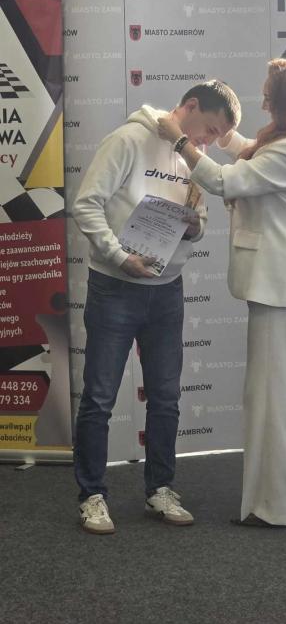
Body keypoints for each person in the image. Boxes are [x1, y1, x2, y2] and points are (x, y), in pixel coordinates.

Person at [158, 58, 286, 527]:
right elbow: (251, 153)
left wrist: (179, 141)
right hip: (285, 283)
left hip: (277, 285)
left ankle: (273, 506)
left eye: (269, 94)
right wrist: (223, 136)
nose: (264, 101)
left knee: (271, 396)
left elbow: (225, 180)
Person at [72, 81, 241, 533]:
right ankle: (92, 495)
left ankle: (160, 488)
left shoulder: (191, 158)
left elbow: (199, 220)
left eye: (216, 137)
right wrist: (118, 256)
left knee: (166, 397)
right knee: (100, 396)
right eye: (209, 130)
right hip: (114, 285)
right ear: (190, 106)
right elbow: (86, 204)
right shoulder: (128, 140)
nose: (208, 143)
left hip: (167, 289)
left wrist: (194, 228)